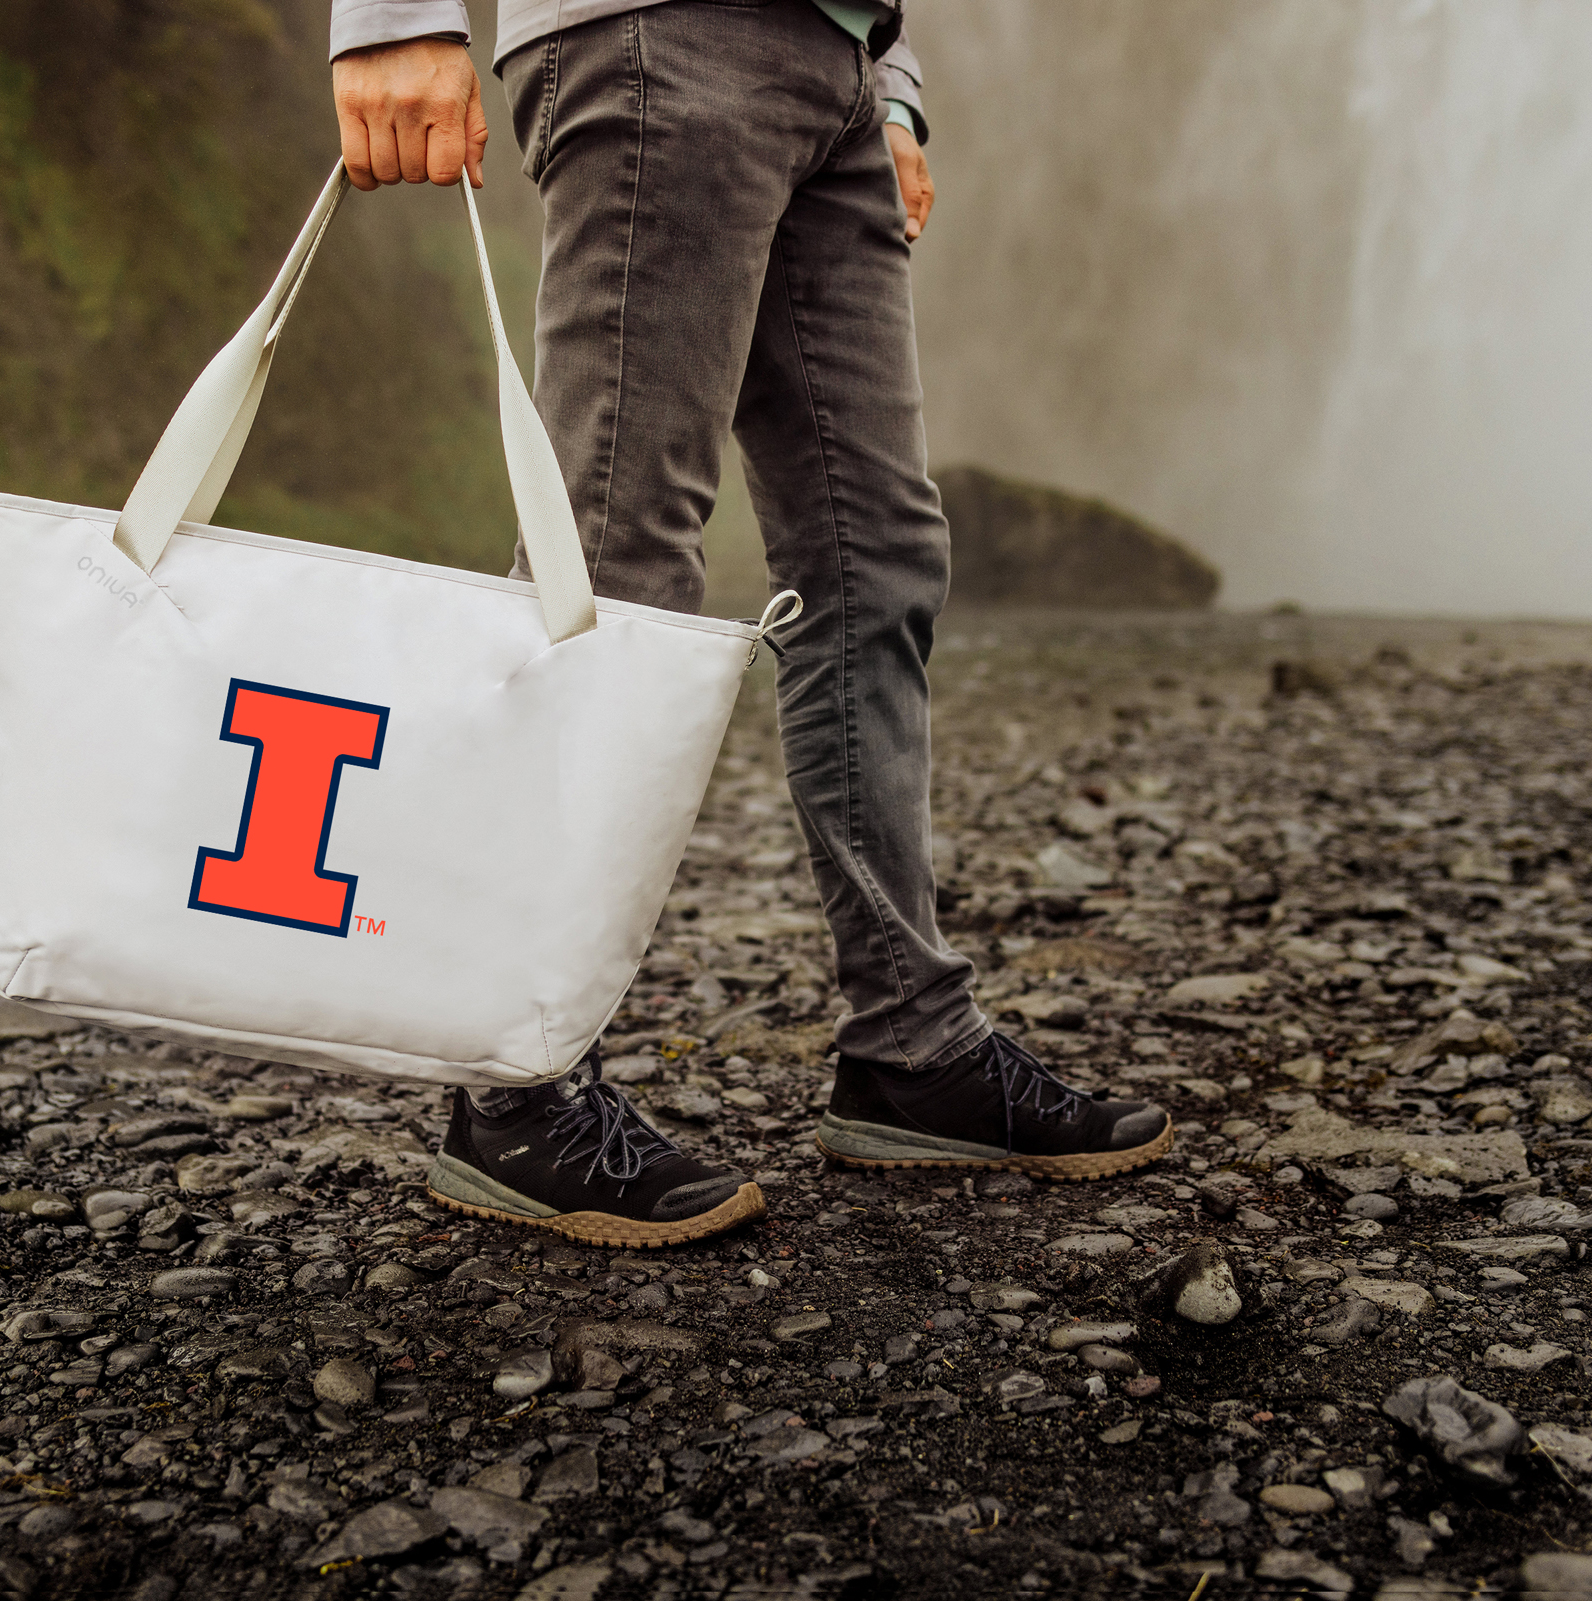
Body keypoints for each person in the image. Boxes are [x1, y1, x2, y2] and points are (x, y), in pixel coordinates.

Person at [328, 0, 1172, 1248]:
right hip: (663, 33)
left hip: (832, 68)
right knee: (615, 549)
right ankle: (517, 1083)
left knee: (877, 552)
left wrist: (886, 82)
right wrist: (392, 17)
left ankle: (911, 1049)